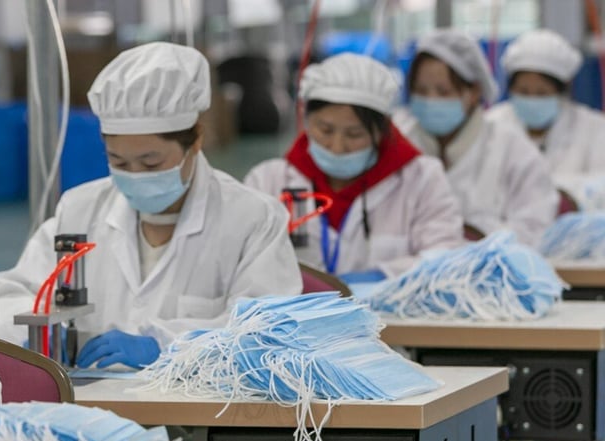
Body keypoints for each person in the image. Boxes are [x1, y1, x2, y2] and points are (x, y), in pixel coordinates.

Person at [0, 42, 301, 368]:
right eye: (118, 161)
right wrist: (37, 336)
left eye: (151, 164)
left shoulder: (251, 217)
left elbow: (268, 329)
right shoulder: (80, 209)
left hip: (200, 409)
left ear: (195, 141)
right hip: (90, 404)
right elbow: (15, 294)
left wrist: (166, 346)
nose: (134, 176)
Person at [244, 53, 464, 282]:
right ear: (306, 121)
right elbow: (243, 259)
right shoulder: (268, 181)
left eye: (354, 134)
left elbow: (445, 255)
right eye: (325, 130)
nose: (337, 147)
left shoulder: (422, 179)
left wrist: (382, 278)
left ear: (381, 132)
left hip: (392, 315)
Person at [394, 29, 558, 246]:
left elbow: (536, 227)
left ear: (473, 92)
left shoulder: (512, 149)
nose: (430, 100)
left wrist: (476, 245)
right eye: (421, 91)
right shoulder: (398, 144)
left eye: (443, 92)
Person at [487, 29, 605, 192]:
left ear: (562, 92)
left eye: (542, 93)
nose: (532, 100)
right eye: (523, 92)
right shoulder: (492, 125)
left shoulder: (594, 128)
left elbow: (600, 187)